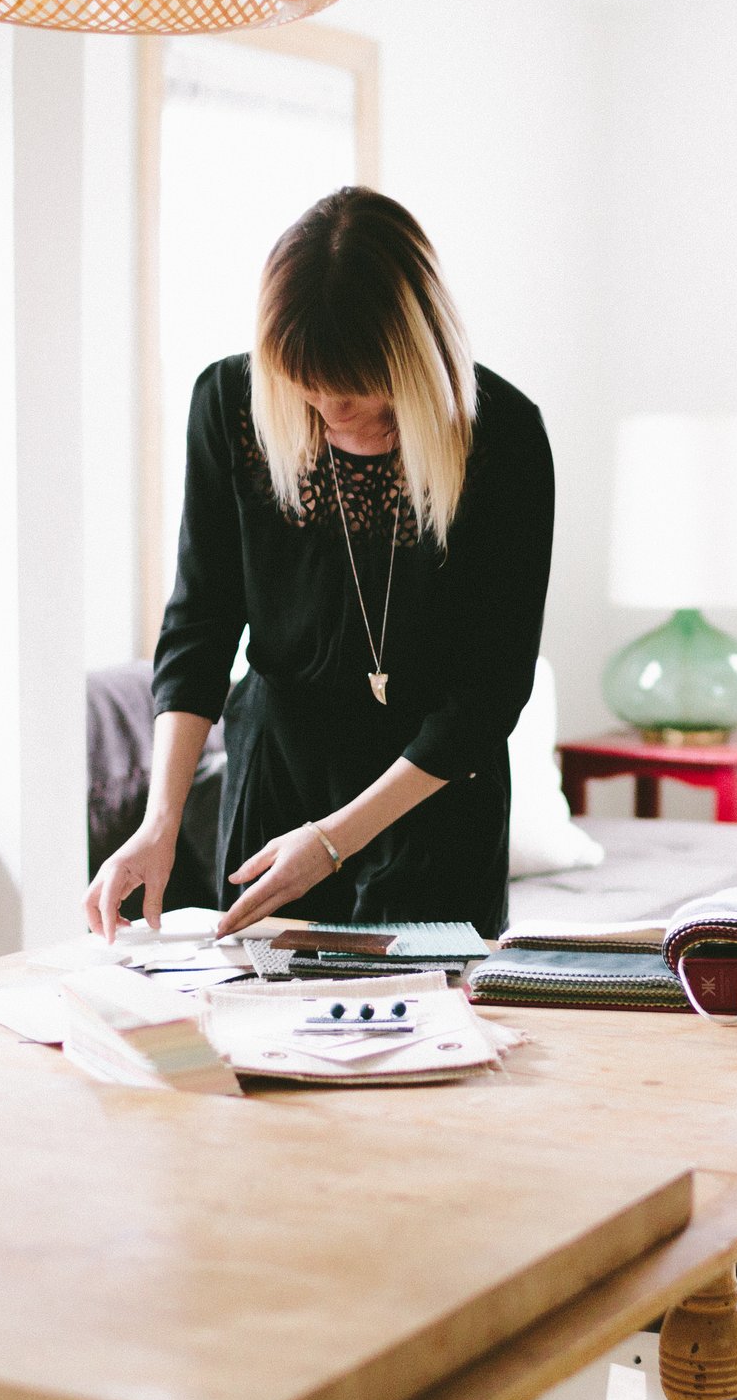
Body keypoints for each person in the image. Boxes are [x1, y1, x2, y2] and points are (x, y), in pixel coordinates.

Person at [84, 187, 554, 942]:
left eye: (362, 396)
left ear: (414, 363)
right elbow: (199, 625)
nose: (334, 413)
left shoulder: (503, 439)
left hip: (433, 790)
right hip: (277, 780)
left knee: (431, 1038)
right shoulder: (228, 406)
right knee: (259, 1027)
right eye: (311, 392)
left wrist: (338, 838)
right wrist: (159, 822)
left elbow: (488, 692)